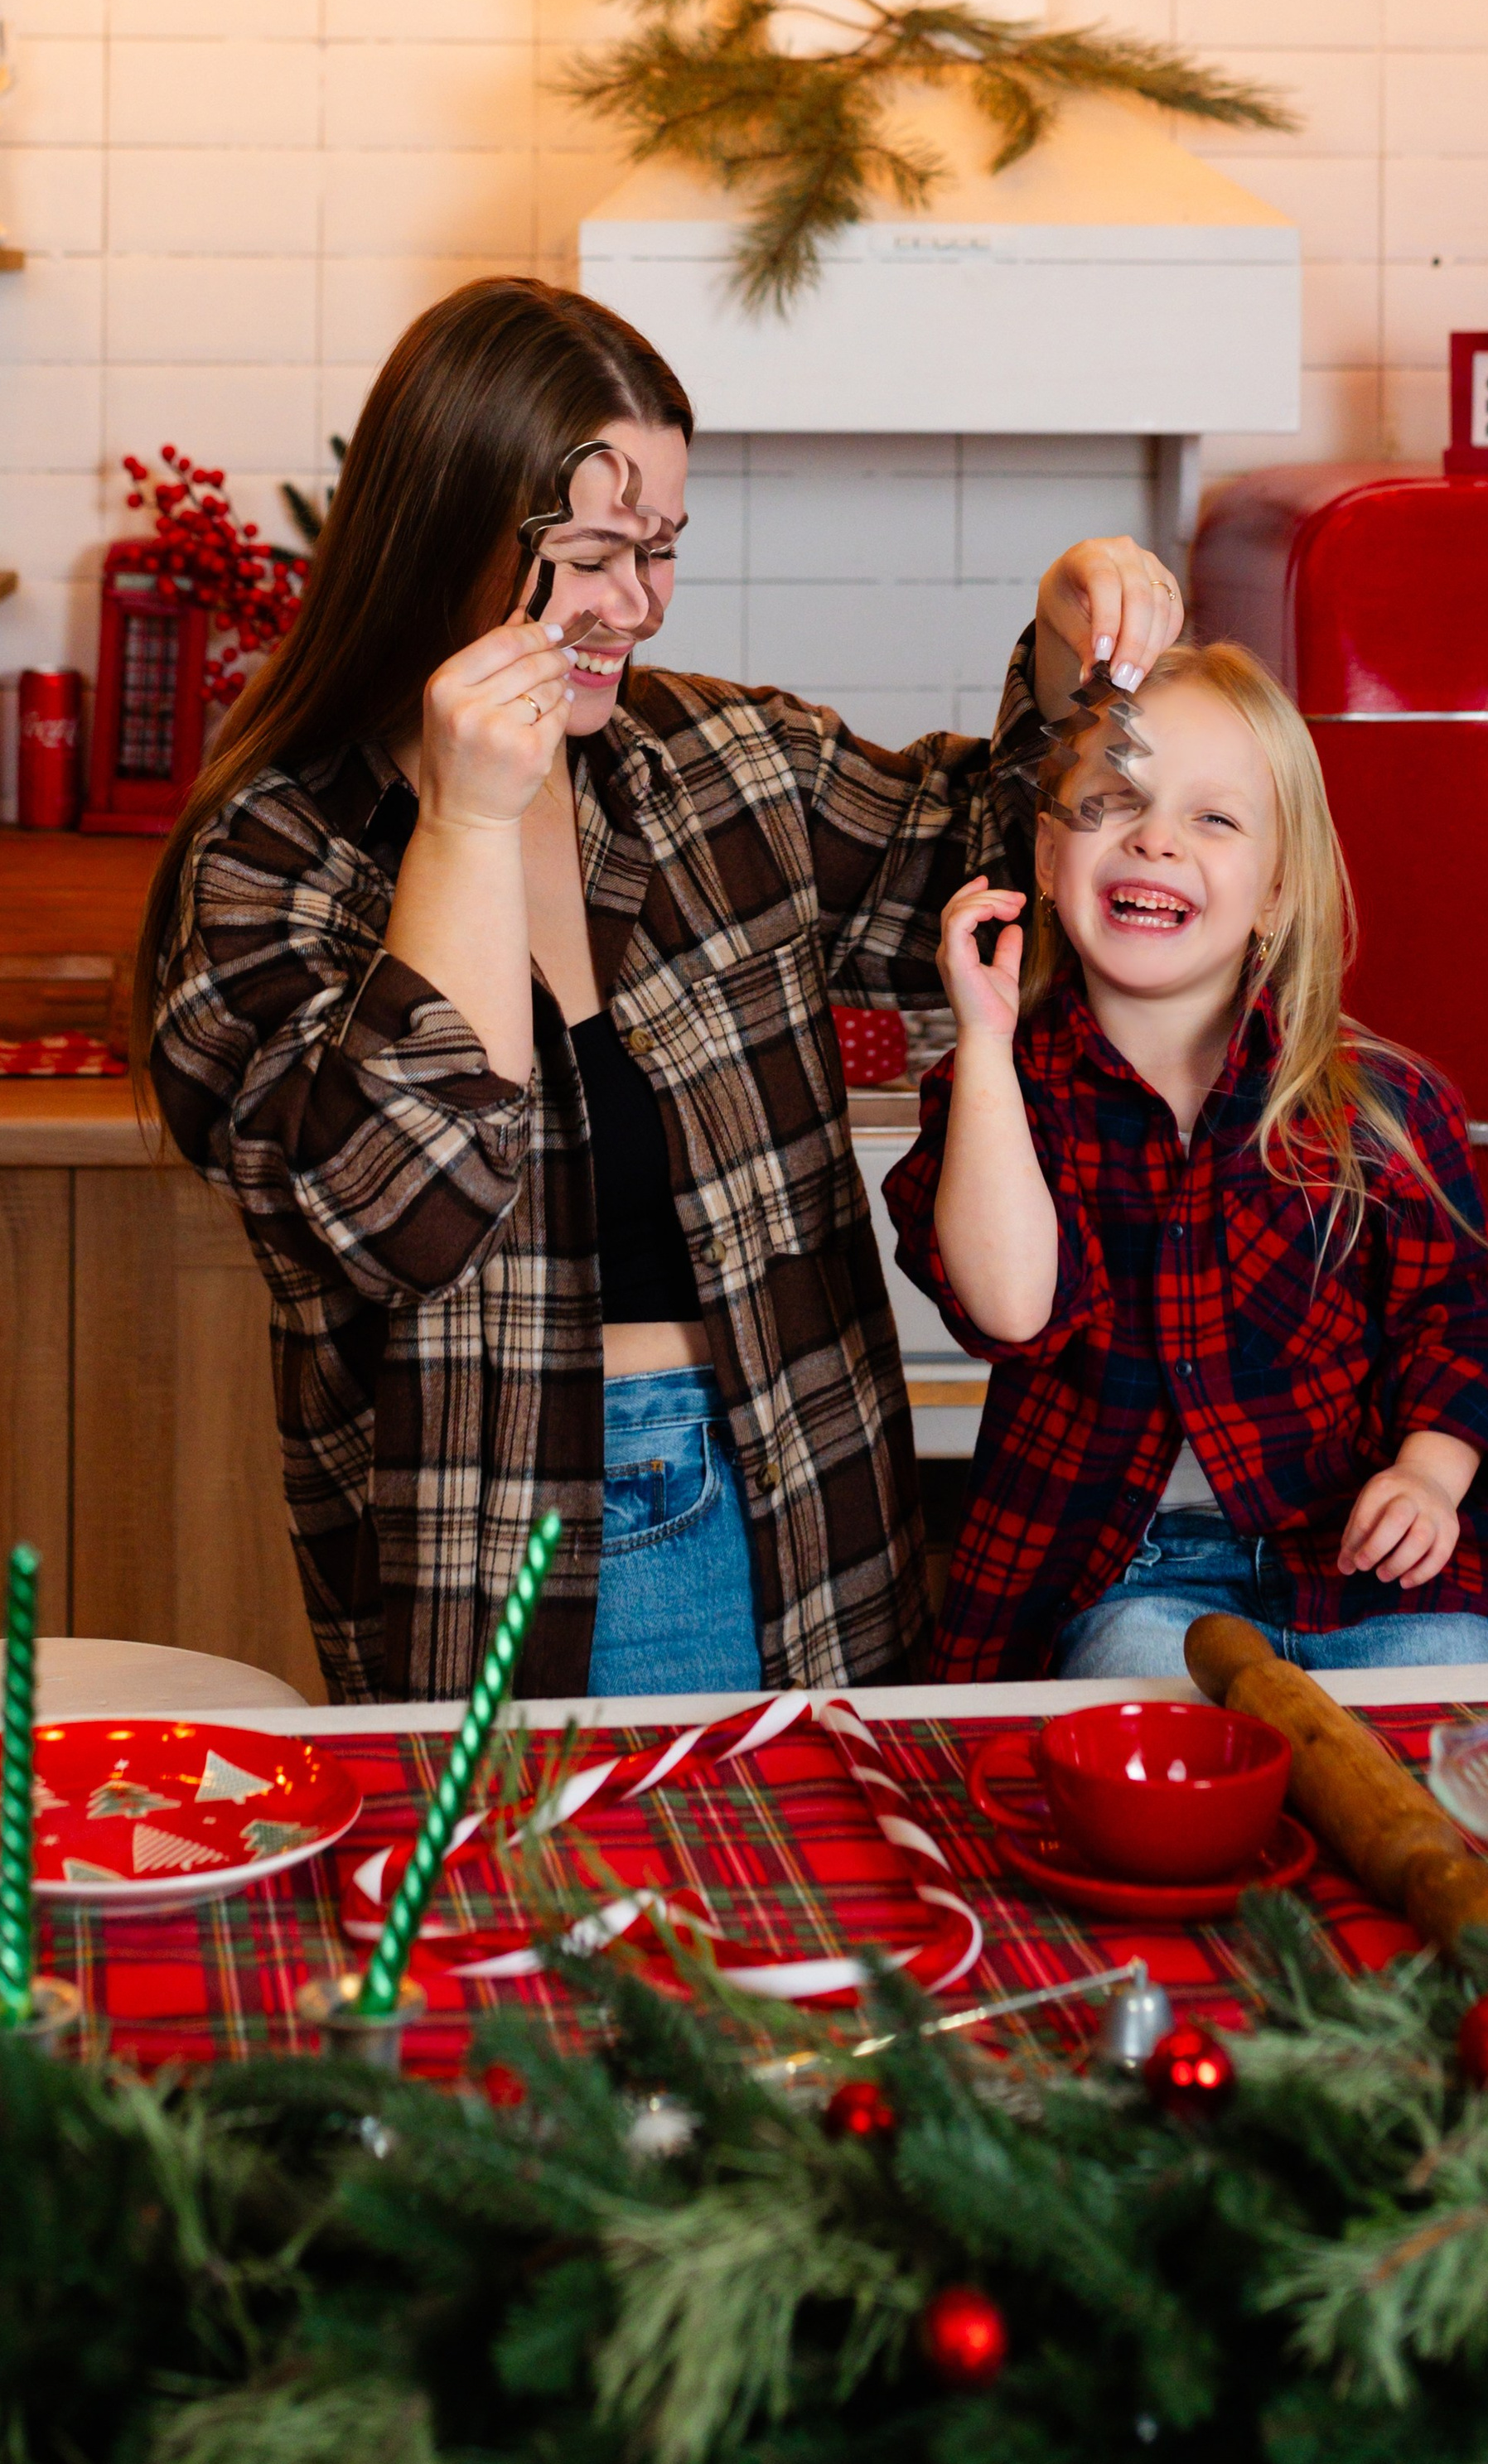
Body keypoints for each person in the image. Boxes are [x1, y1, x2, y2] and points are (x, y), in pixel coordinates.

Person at [138, 275, 1183, 1704]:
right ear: (448, 536)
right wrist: (467, 822)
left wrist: (1070, 653)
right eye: (590, 553)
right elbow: (403, 1218)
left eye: (663, 548)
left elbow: (1007, 876)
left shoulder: (718, 765)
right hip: (523, 1548)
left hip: (818, 1499)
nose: (635, 602)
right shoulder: (273, 854)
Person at [886, 640, 1488, 1683]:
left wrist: (1427, 1475)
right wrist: (983, 1039)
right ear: (1049, 860)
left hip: (1361, 1567)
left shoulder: (1382, 1104)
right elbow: (1012, 1311)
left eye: (1214, 818)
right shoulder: (1000, 1092)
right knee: (1147, 1741)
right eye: (1115, 802)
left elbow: (1460, 1323)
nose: (1156, 839)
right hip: (1122, 1580)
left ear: (1276, 891)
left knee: (1454, 1715)